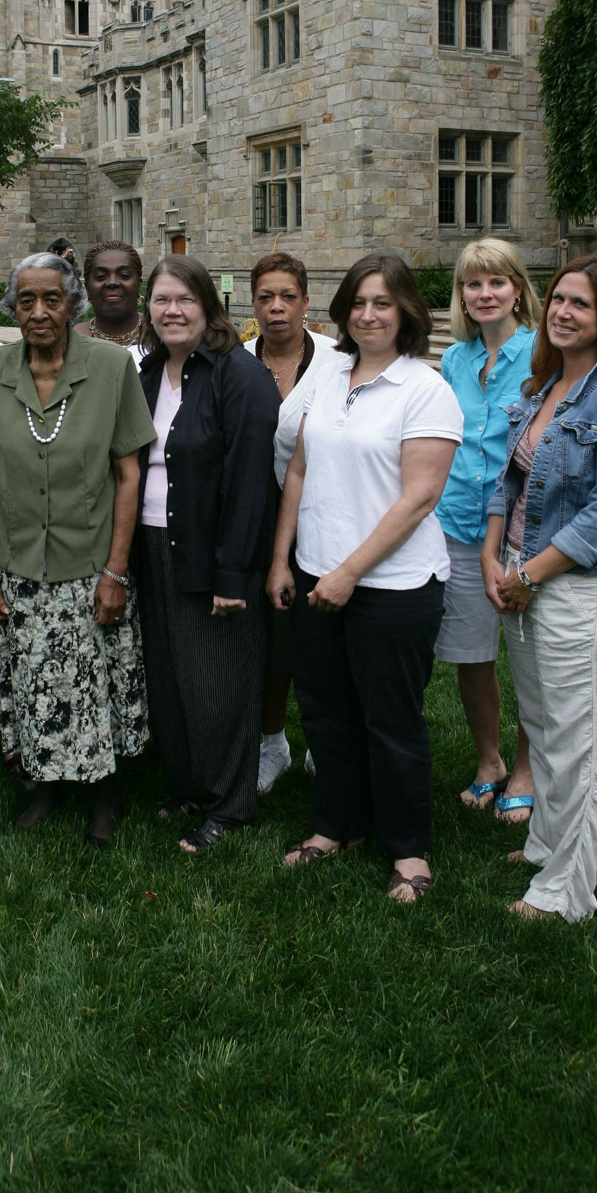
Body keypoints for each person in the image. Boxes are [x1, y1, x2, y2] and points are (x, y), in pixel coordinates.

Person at [267, 254, 463, 902]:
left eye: (383, 303)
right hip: (316, 575)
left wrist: (350, 572)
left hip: (395, 588)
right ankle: (338, 826)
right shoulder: (329, 377)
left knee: (391, 719)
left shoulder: (424, 388)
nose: (369, 314)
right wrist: (283, 559)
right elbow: (298, 469)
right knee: (325, 714)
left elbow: (418, 497)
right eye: (359, 302)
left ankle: (408, 851)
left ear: (407, 311)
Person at [481, 256, 597, 923]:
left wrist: (528, 574)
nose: (562, 312)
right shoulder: (542, 389)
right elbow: (509, 483)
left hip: (574, 589)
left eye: (580, 304)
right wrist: (497, 556)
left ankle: (565, 894)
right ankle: (546, 846)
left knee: (580, 742)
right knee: (546, 726)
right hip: (521, 576)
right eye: (557, 299)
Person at [0, 252, 156, 847]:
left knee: (96, 681)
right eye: (26, 301)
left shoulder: (112, 366)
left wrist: (116, 571)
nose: (39, 312)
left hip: (90, 562)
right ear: (11, 308)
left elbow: (129, 475)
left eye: (52, 299)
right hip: (18, 564)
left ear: (74, 304)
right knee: (33, 676)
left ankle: (105, 793)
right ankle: (45, 786)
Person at [136, 256, 280, 853]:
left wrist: (232, 572)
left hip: (214, 551)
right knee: (170, 674)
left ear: (208, 307)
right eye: (162, 300)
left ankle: (231, 804)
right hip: (150, 545)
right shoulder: (147, 373)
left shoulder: (237, 375)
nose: (172, 311)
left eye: (184, 300)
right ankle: (194, 786)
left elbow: (251, 482)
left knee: (219, 683)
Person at [436, 239, 542, 821]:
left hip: (525, 529)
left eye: (496, 282)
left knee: (529, 655)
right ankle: (490, 761)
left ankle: (526, 767)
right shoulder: (455, 360)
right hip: (455, 521)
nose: (484, 294)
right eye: (473, 285)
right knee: (471, 652)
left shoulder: (542, 355)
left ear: (518, 290)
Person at [243, 253, 337, 793]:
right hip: (258, 518)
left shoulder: (336, 360)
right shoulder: (235, 359)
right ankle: (271, 742)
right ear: (252, 304)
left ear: (306, 301)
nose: (276, 308)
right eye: (265, 298)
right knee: (273, 637)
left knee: (324, 634)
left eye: (288, 297)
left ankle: (327, 741)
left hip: (324, 514)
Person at [77, 240, 145, 363]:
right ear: (87, 287)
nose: (112, 282)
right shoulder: (73, 340)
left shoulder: (159, 334)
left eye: (124, 275)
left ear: (138, 284)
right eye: (101, 277)